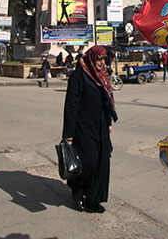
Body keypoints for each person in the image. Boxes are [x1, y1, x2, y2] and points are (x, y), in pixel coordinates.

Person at [62, 45, 118, 213]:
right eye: (99, 59)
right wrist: (68, 134)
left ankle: (93, 198)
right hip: (83, 125)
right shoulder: (79, 76)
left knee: (103, 161)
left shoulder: (102, 76)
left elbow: (106, 102)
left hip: (100, 124)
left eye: (103, 59)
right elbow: (71, 106)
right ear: (91, 58)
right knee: (89, 160)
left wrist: (108, 122)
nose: (102, 62)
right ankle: (77, 190)